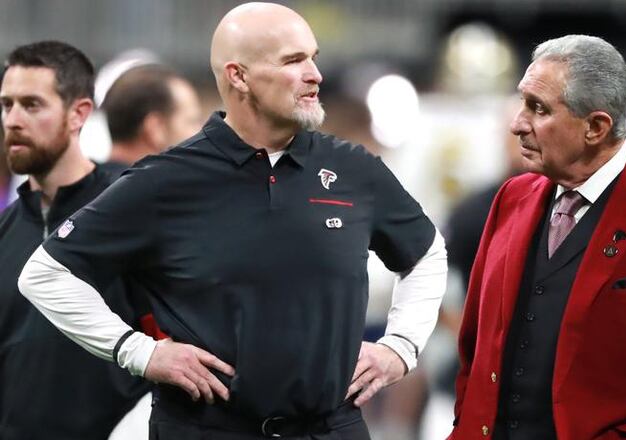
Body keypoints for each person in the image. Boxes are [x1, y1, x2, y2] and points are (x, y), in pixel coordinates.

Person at [18, 3, 447, 440]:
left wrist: (401, 346)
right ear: (238, 76)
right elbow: (47, 274)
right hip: (207, 428)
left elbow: (426, 253)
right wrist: (139, 353)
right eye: (293, 61)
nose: (315, 73)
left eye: (313, 57)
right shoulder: (166, 179)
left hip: (331, 428)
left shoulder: (354, 169)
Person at [449, 35, 626, 439]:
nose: (517, 123)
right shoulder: (511, 199)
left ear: (596, 127)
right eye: (523, 102)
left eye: (538, 108)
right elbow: (473, 352)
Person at [0, 40, 150, 439]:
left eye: (32, 105)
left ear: (78, 113)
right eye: (6, 104)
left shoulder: (129, 208)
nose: (13, 119)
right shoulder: (6, 229)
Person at [102, 64, 203, 172]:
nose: (201, 131)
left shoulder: (87, 184)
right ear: (155, 128)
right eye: (192, 121)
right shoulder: (159, 187)